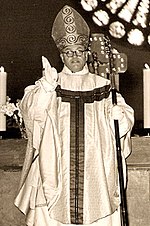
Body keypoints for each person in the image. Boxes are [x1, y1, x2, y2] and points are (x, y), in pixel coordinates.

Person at [14, 5, 134, 226]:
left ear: (86, 53)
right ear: (61, 55)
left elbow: (124, 120)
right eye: (69, 52)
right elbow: (31, 114)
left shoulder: (104, 87)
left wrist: (122, 119)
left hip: (96, 176)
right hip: (55, 173)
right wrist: (46, 89)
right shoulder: (50, 84)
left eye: (79, 51)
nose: (75, 56)